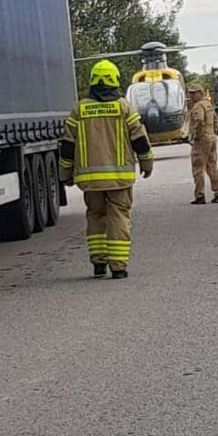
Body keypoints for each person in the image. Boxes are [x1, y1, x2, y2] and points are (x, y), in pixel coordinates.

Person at [59, 59, 153, 279]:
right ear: (115, 80)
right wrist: (147, 163)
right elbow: (140, 139)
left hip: (90, 180)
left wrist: (65, 174)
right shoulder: (124, 107)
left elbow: (67, 146)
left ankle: (99, 264)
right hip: (120, 178)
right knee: (119, 216)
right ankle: (118, 267)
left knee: (95, 215)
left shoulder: (79, 110)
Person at [187, 83, 218, 204]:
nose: (191, 96)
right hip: (211, 137)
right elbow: (215, 120)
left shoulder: (198, 106)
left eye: (193, 93)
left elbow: (198, 121)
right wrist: (214, 133)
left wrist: (194, 136)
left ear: (200, 93)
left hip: (202, 139)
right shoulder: (208, 105)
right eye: (190, 93)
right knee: (212, 165)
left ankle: (200, 195)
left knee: (198, 167)